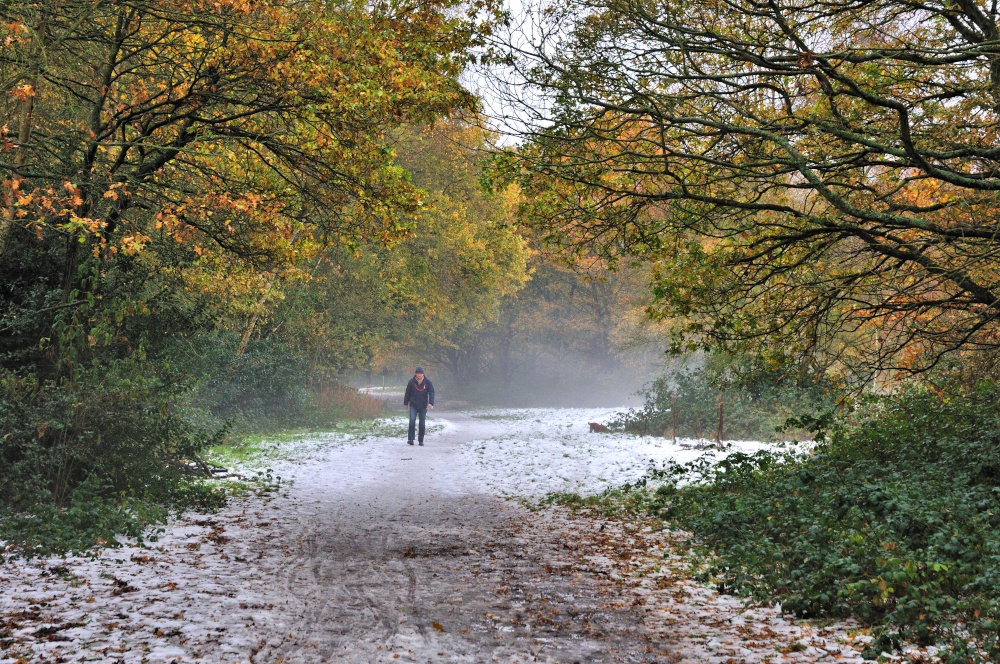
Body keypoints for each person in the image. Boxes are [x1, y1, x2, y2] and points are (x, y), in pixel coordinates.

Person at [403, 366, 435, 446]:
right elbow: (407, 393)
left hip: (423, 405)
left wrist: (431, 403)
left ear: (423, 374)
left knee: (422, 423)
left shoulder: (428, 382)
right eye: (418, 373)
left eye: (421, 373)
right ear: (415, 374)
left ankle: (421, 440)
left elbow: (432, 393)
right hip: (413, 404)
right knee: (412, 421)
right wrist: (406, 403)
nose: (419, 375)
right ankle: (411, 439)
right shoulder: (411, 382)